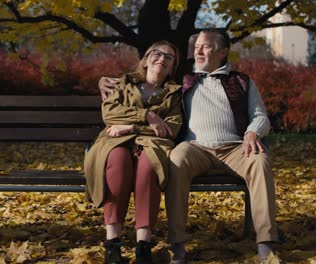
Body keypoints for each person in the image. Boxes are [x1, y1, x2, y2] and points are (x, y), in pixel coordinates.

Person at [98, 29, 279, 263]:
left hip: (235, 147)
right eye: (196, 47)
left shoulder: (241, 81)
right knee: (176, 159)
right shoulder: (182, 77)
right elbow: (147, 74)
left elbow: (260, 115)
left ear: (223, 52)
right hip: (195, 147)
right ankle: (178, 245)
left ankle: (265, 244)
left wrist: (253, 131)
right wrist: (102, 80)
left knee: (260, 160)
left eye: (205, 46)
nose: (198, 50)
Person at [85, 40, 183, 264]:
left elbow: (172, 128)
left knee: (149, 168)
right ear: (147, 59)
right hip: (116, 139)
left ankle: (143, 245)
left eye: (169, 57)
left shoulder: (173, 94)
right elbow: (110, 114)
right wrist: (148, 116)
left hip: (152, 143)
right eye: (157, 54)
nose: (162, 59)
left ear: (172, 67)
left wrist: (131, 126)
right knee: (117, 162)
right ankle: (112, 245)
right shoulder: (123, 84)